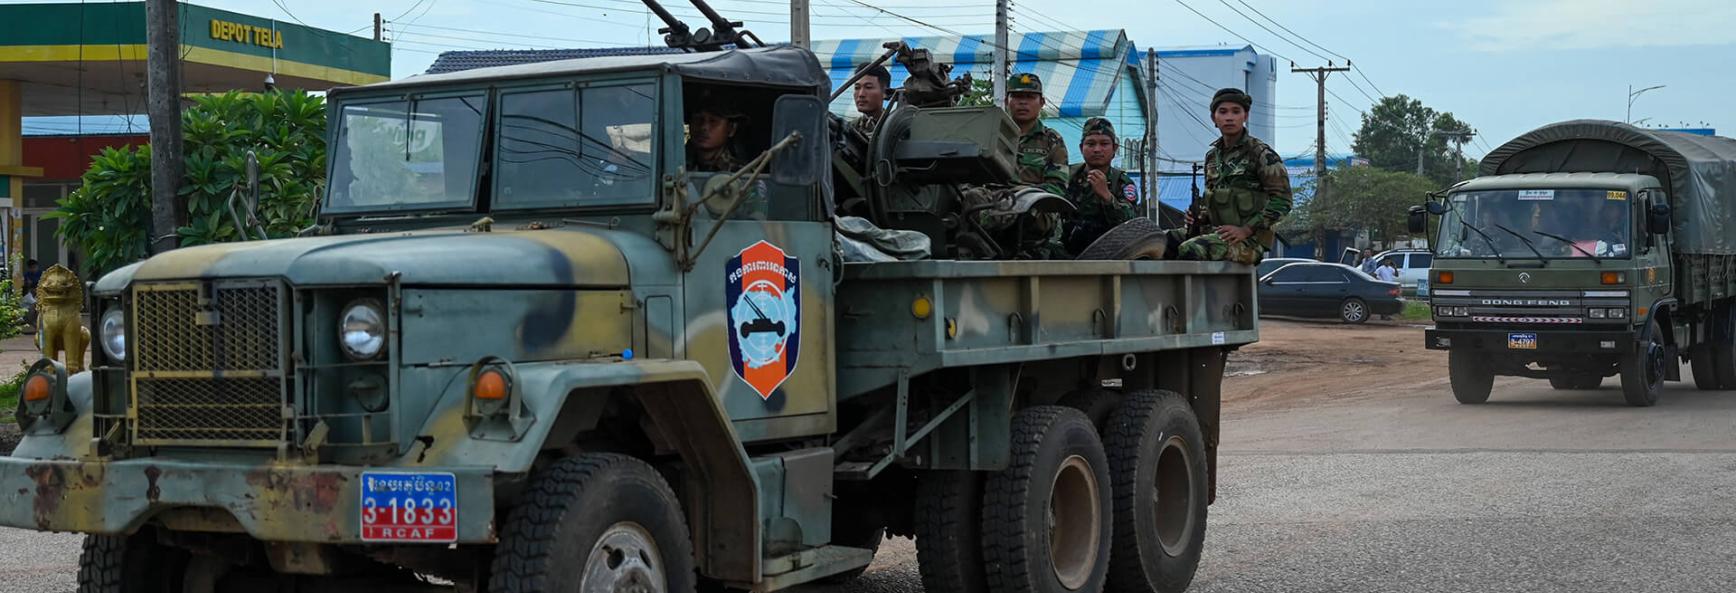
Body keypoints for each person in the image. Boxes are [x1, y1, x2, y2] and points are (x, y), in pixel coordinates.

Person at [1168, 88, 1292, 264]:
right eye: (1223, 112)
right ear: (1214, 119)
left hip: (1247, 242)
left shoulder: (1261, 154)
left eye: (1236, 111)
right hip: (1215, 234)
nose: (1229, 117)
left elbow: (1283, 201)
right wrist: (1198, 217)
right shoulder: (1212, 157)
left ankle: (1195, 292)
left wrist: (1246, 230)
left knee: (1191, 249)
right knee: (1159, 241)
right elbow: (1214, 198)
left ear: (1245, 116)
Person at [1063, 117, 1140, 255]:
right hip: (1067, 253)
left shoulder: (1121, 182)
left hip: (1108, 253)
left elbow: (1131, 223)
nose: (1097, 149)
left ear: (1114, 148)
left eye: (1104, 144)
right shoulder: (1068, 176)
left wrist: (1107, 197)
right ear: (1081, 148)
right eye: (1091, 144)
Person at [685, 97, 746, 172]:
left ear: (731, 129)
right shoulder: (675, 164)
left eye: (713, 121)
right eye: (698, 119)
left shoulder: (741, 173)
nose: (704, 127)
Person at [850, 63, 891, 138]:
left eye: (868, 87)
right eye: (857, 88)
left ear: (885, 92)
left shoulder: (896, 127)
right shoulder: (850, 128)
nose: (861, 94)